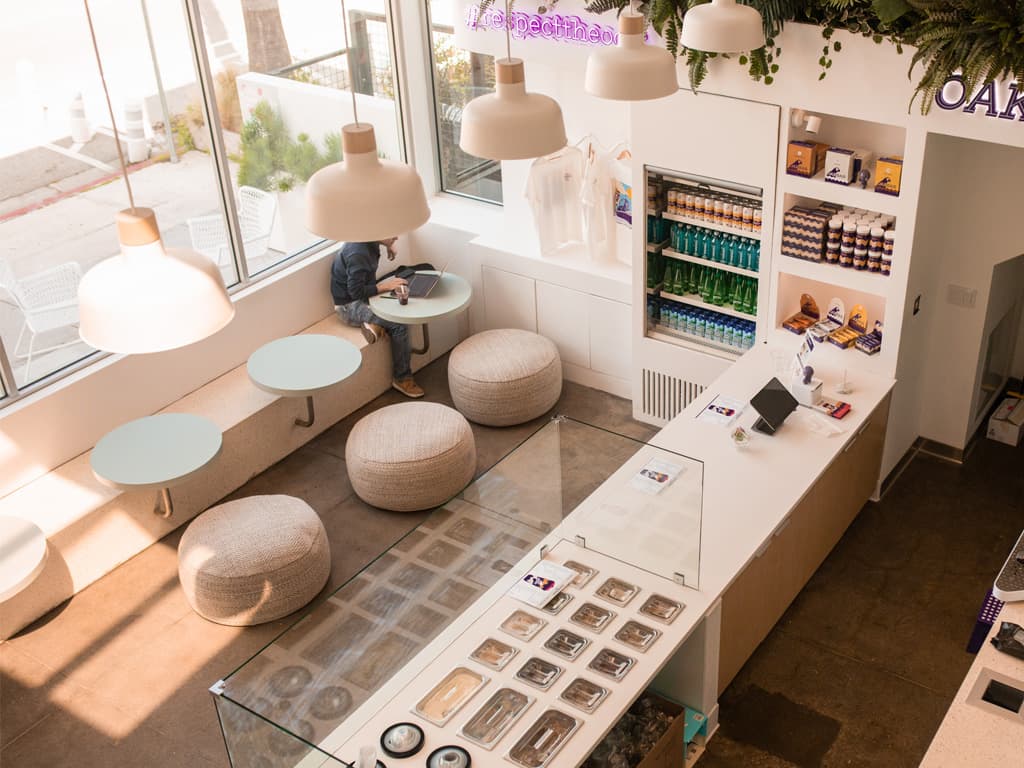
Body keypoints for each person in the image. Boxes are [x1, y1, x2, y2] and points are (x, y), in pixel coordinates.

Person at [331, 238, 423, 398]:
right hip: (349, 306)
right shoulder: (358, 252)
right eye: (392, 234)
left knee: (398, 297)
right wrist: (385, 286)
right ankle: (402, 378)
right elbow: (355, 292)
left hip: (363, 297)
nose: (397, 237)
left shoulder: (369, 239)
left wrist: (388, 245)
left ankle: (375, 325)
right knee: (399, 324)